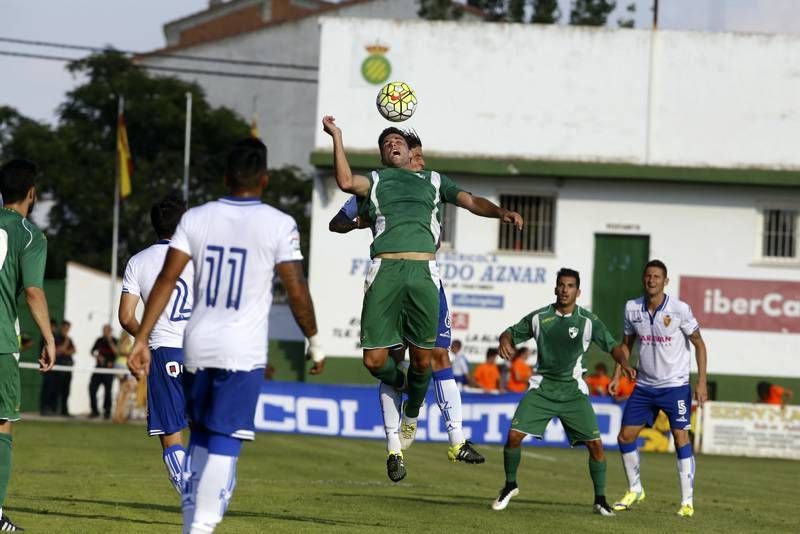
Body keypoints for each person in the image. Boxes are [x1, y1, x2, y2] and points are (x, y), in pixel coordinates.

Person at [128, 138, 324, 533]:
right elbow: (296, 289)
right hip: (241, 349)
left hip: (195, 343)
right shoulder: (279, 223)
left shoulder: (195, 219)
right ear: (265, 179)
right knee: (225, 440)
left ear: (225, 177)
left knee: (198, 438)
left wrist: (140, 337)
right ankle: (200, 526)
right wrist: (314, 340)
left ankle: (194, 519)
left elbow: (166, 279)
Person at [322, 116, 522, 469]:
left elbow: (472, 201)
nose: (394, 146)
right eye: (387, 143)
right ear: (389, 156)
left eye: (399, 141)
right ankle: (403, 420)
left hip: (423, 273)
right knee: (378, 361)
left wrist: (502, 212)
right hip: (385, 271)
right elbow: (339, 206)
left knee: (429, 358)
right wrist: (338, 140)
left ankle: (423, 424)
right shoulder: (376, 183)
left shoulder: (432, 182)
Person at [491, 267, 635, 516]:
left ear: (578, 292)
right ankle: (510, 485)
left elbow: (613, 346)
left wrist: (624, 363)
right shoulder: (539, 318)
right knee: (514, 436)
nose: (564, 289)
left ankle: (600, 499)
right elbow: (511, 333)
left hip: (573, 392)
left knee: (596, 446)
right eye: (561, 285)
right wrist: (504, 339)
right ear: (555, 288)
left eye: (570, 286)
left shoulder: (588, 321)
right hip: (542, 388)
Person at [610, 259, 708, 518]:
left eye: (656, 277)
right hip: (644, 386)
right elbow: (625, 345)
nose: (651, 280)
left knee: (680, 438)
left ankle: (687, 501)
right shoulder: (632, 308)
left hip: (675, 387)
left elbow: (699, 344)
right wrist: (617, 374)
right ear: (644, 279)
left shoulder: (679, 309)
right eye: (648, 276)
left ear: (665, 281)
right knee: (625, 437)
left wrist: (701, 382)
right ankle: (635, 490)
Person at [119, 191, 195, 494]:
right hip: (203, 351)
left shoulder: (138, 261)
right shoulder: (200, 257)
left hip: (165, 350)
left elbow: (126, 316)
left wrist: (146, 336)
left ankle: (192, 497)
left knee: (172, 433)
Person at [0, 159, 56, 531]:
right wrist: (49, 339)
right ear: (31, 194)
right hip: (1, 344)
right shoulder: (29, 235)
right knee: (2, 427)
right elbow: (34, 293)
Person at [89, 324, 118, 419]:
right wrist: (97, 356)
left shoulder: (114, 340)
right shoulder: (99, 340)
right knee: (92, 388)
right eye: (104, 330)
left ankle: (107, 411)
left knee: (108, 391)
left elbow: (116, 353)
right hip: (98, 368)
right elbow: (92, 351)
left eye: (107, 330)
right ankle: (94, 410)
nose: (105, 332)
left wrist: (110, 342)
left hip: (109, 369)